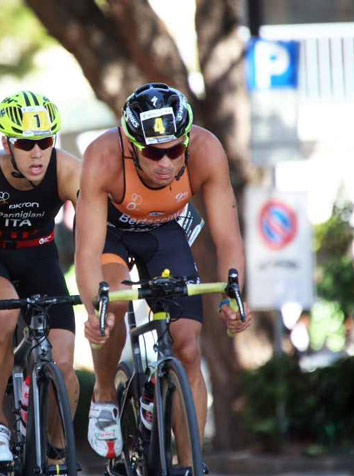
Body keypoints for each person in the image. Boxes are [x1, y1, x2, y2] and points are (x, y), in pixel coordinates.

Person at [75, 83, 252, 464]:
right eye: (154, 153)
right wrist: (96, 310)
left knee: (187, 345)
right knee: (115, 303)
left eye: (174, 151)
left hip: (165, 235)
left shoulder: (206, 151)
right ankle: (104, 394)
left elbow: (228, 239)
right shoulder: (103, 156)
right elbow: (87, 252)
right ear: (131, 144)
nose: (166, 163)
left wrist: (233, 296)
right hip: (113, 235)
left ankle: (191, 466)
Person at [0, 91, 81, 465]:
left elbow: (96, 233)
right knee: (1, 315)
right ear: (6, 143)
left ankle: (58, 448)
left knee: (62, 364)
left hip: (41, 257)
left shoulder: (68, 169)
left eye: (45, 142)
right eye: (26, 144)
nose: (37, 153)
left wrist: (98, 296)